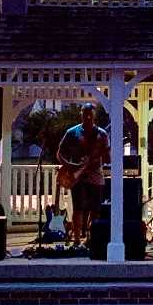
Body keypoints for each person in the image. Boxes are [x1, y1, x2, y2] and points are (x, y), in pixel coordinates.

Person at [56, 104, 110, 244]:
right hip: (77, 175)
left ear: (94, 115)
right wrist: (70, 165)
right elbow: (59, 152)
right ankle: (77, 239)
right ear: (81, 114)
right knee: (78, 207)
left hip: (95, 173)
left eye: (90, 114)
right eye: (85, 114)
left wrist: (101, 156)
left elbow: (107, 157)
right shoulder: (72, 132)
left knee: (96, 209)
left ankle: (92, 239)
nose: (87, 117)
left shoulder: (102, 134)